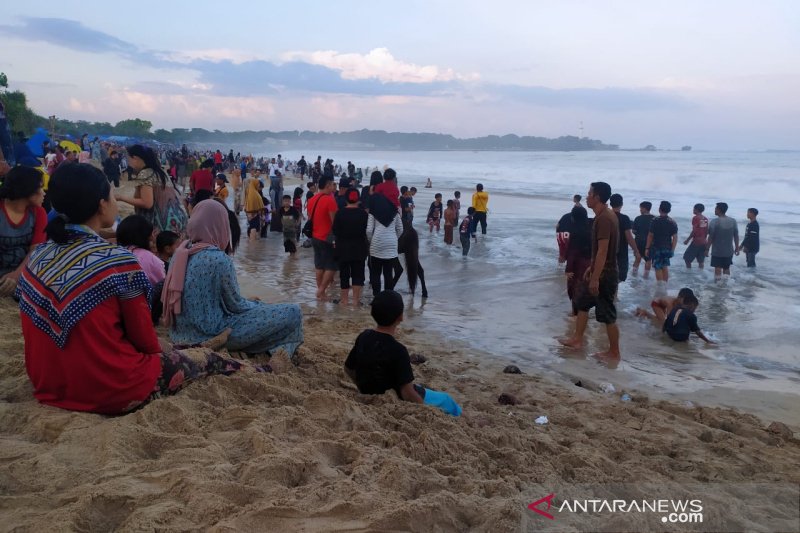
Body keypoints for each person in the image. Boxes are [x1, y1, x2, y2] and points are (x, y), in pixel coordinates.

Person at [18, 164, 267, 414]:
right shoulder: (118, 262)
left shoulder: (39, 254)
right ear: (102, 204)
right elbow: (146, 342)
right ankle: (259, 372)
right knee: (209, 362)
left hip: (49, 384)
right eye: (112, 195)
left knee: (179, 350)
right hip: (110, 389)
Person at [163, 199, 304, 356]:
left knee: (260, 307)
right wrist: (258, 305)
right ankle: (281, 351)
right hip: (214, 333)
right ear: (221, 224)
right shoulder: (218, 258)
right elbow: (236, 305)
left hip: (180, 333)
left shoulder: (180, 253)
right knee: (294, 311)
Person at [344, 290, 462, 416]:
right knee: (446, 400)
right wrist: (426, 410)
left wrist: (362, 386)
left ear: (373, 312)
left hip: (368, 391)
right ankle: (470, 420)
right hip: (396, 397)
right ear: (400, 317)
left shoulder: (364, 336)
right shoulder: (399, 350)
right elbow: (407, 393)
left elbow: (348, 368)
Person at [559, 182, 620, 360]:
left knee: (608, 314)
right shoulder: (603, 216)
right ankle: (577, 339)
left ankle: (614, 352)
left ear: (597, 197)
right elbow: (600, 252)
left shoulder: (604, 219)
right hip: (598, 269)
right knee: (582, 301)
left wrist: (595, 278)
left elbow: (603, 250)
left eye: (589, 193)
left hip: (605, 274)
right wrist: (590, 268)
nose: (587, 197)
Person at [116, 145, 188, 236]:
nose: (128, 162)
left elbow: (147, 203)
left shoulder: (145, 173)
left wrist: (121, 197)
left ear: (135, 158)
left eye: (128, 158)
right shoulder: (160, 172)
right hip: (177, 221)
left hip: (160, 225)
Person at [0, 166, 46, 296]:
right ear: (28, 191)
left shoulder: (39, 213)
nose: (44, 193)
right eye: (40, 188)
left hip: (25, 272)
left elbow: (35, 250)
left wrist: (16, 275)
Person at [332, 188, 369, 305]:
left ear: (346, 199)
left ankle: (344, 300)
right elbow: (367, 231)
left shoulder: (340, 213)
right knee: (358, 274)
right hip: (359, 248)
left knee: (344, 274)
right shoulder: (363, 214)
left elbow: (335, 231)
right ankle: (356, 301)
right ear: (358, 199)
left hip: (343, 248)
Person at [307, 176, 339, 299]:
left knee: (319, 265)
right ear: (327, 185)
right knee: (332, 266)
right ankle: (321, 290)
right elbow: (334, 222)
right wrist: (336, 238)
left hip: (314, 236)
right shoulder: (330, 200)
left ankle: (322, 293)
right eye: (332, 185)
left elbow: (310, 218)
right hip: (327, 237)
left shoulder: (312, 199)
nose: (333, 188)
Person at [366, 192, 403, 295]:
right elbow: (400, 229)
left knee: (376, 273)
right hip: (391, 245)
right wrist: (394, 238)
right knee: (388, 274)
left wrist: (371, 241)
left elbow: (369, 230)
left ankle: (376, 297)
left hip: (376, 244)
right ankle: (388, 296)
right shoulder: (394, 212)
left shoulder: (373, 212)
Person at [116, 215, 165, 287]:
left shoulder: (116, 253)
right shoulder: (149, 258)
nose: (153, 237)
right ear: (147, 236)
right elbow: (163, 282)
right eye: (151, 233)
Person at [564, 205, 591, 315]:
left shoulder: (574, 232)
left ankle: (575, 315)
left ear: (573, 218)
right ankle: (584, 314)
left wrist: (568, 269)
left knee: (575, 290)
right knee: (586, 291)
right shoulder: (591, 229)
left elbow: (572, 253)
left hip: (577, 266)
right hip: (590, 265)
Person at [610, 194, 641, 283]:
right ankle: (613, 296)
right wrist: (636, 251)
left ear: (611, 203)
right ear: (621, 204)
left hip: (607, 250)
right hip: (621, 252)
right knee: (618, 277)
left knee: (608, 276)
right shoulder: (624, 218)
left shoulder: (605, 216)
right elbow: (629, 237)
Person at [645, 201, 678, 285]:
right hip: (667, 247)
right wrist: (672, 250)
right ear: (669, 210)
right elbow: (675, 237)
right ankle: (665, 286)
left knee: (657, 267)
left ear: (659, 209)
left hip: (657, 247)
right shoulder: (672, 222)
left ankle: (661, 287)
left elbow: (650, 235)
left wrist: (647, 248)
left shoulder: (655, 220)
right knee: (664, 266)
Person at [706, 202, 739, 280]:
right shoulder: (733, 221)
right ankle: (726, 284)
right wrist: (737, 247)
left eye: (715, 209)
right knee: (726, 268)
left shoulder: (714, 222)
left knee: (717, 268)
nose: (714, 210)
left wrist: (707, 249)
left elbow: (711, 237)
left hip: (717, 251)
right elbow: (736, 235)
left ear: (719, 210)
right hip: (729, 250)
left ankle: (717, 286)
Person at [631, 201, 654, 277]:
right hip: (649, 243)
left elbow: (633, 231)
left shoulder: (638, 218)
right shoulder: (654, 219)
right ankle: (646, 277)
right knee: (648, 260)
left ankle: (634, 275)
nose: (640, 210)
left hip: (638, 241)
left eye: (641, 208)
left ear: (644, 208)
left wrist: (638, 234)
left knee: (637, 258)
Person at [683, 203, 709, 269]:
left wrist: (687, 240)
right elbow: (705, 231)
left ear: (696, 209)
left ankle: (689, 273)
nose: (693, 210)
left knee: (687, 259)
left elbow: (695, 231)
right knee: (700, 261)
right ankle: (701, 273)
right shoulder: (704, 218)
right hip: (704, 242)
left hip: (696, 242)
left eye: (694, 209)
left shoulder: (695, 218)